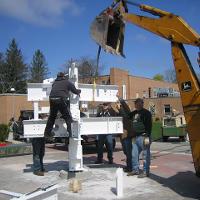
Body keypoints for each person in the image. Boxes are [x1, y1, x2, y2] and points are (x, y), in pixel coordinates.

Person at [118, 96, 152, 178]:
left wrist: (147, 136)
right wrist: (122, 101)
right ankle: (135, 170)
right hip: (135, 137)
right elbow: (127, 112)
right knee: (134, 154)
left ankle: (145, 171)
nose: (137, 105)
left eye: (139, 103)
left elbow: (150, 125)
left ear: (142, 104)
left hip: (144, 137)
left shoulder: (146, 113)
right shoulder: (134, 113)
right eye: (136, 103)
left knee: (145, 155)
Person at [44, 72, 81, 138]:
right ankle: (70, 132)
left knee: (52, 117)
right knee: (67, 116)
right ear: (63, 77)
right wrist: (79, 91)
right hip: (61, 99)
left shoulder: (54, 83)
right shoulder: (67, 82)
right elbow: (74, 91)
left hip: (52, 99)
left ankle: (47, 133)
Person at [115, 101, 133, 172]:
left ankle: (130, 167)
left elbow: (125, 116)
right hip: (123, 135)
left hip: (127, 135)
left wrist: (120, 107)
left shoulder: (128, 113)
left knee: (128, 152)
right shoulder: (121, 113)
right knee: (126, 152)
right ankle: (128, 166)